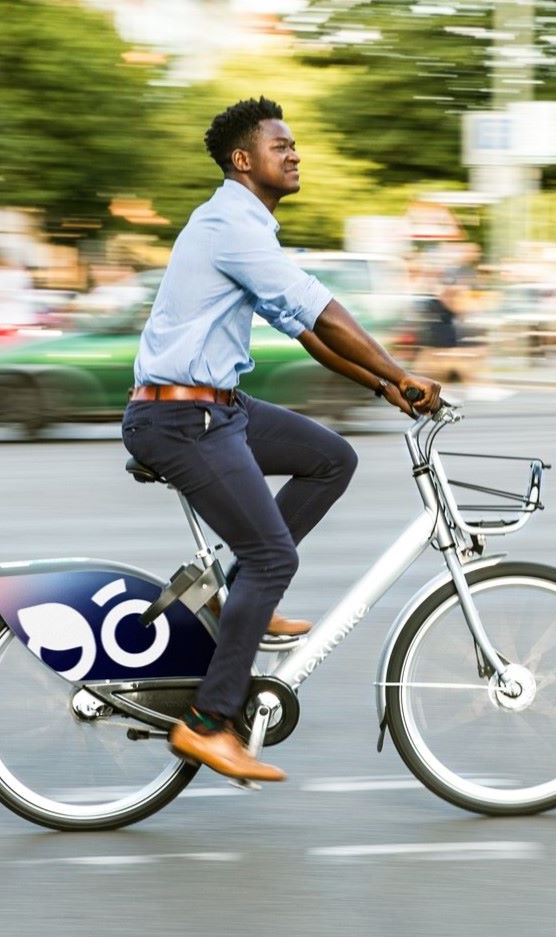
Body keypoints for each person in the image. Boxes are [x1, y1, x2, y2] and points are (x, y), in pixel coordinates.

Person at [122, 96, 441, 783]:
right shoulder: (230, 224)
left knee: (331, 457)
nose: (294, 154)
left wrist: (383, 387)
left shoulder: (246, 228)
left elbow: (305, 331)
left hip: (217, 408)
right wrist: (402, 370)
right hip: (181, 419)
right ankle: (210, 723)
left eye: (295, 145)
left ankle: (246, 602)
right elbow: (322, 310)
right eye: (281, 145)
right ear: (244, 160)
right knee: (272, 556)